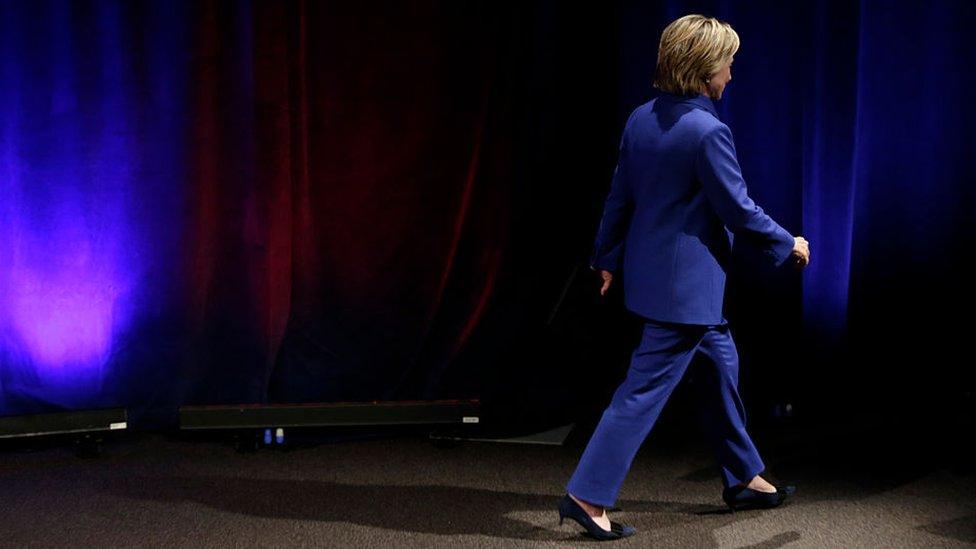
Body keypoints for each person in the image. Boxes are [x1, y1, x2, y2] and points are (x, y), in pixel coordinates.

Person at [556, 14, 810, 540]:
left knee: (720, 368)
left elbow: (619, 196)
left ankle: (745, 477)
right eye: (727, 64)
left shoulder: (641, 118)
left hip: (665, 281)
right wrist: (789, 244)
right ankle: (586, 495)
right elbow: (738, 209)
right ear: (702, 70)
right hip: (683, 291)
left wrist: (606, 257)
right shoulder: (707, 131)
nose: (732, 75)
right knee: (641, 393)